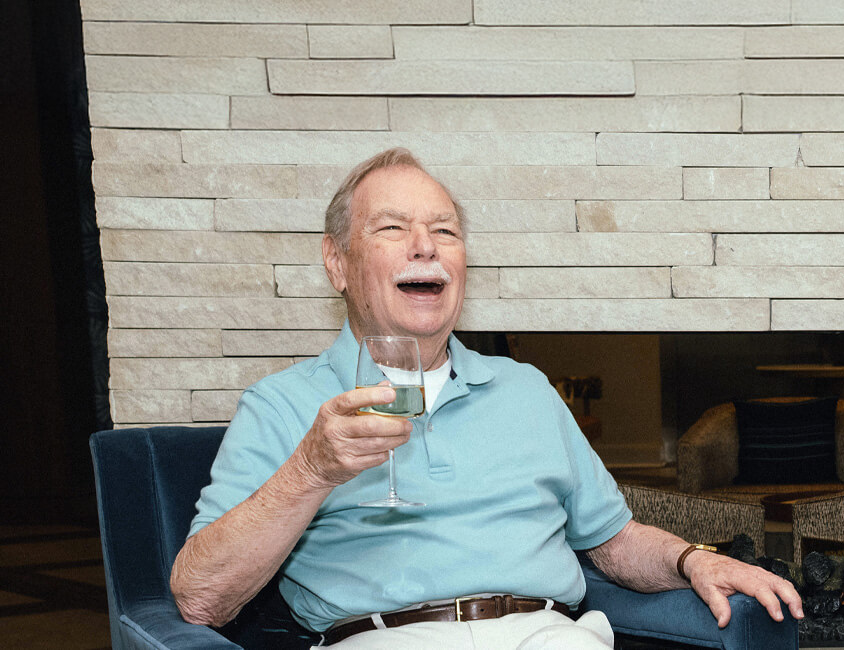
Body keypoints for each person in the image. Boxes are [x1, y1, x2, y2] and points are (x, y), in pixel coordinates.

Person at [171, 148, 803, 649]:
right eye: (392, 228)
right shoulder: (283, 405)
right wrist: (310, 472)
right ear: (337, 264)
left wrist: (693, 559)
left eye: (444, 231)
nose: (426, 246)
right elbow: (200, 598)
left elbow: (610, 542)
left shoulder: (524, 388)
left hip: (549, 635)